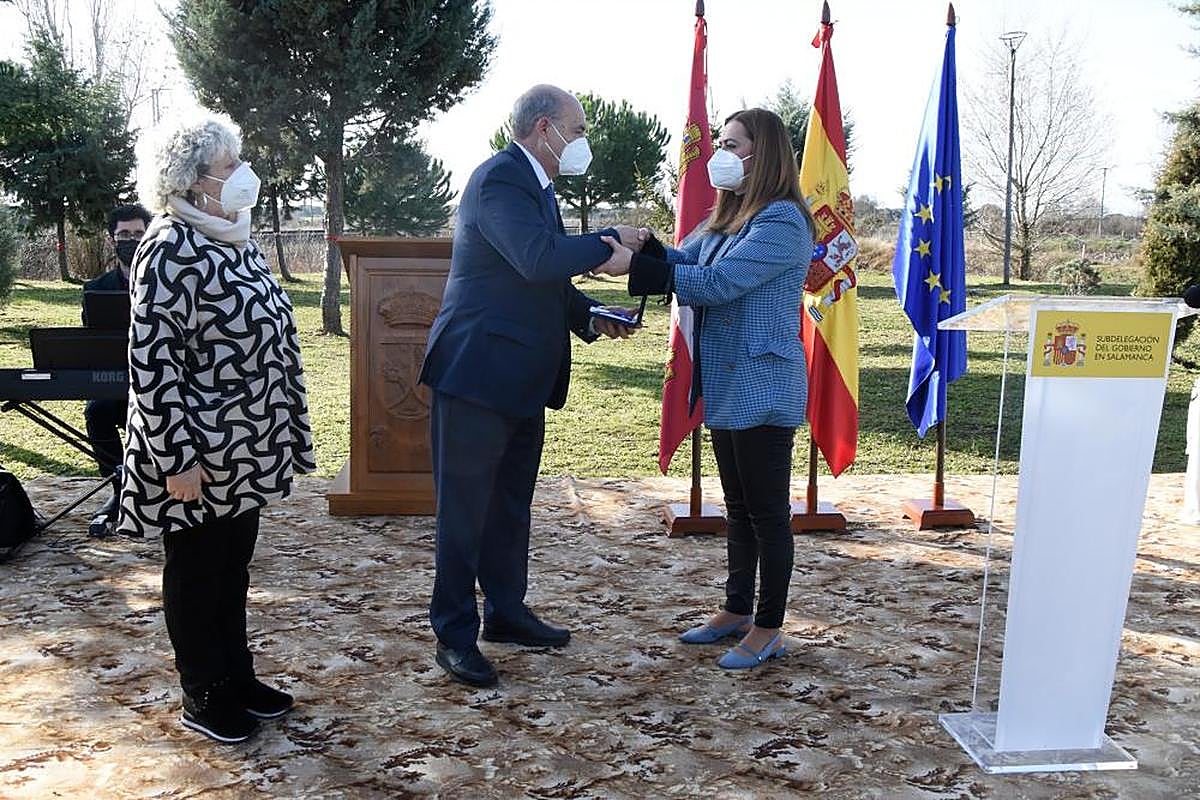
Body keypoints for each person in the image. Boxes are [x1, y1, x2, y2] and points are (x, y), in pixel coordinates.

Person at [419, 84, 644, 688]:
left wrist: (590, 315)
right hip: (476, 374)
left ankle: (507, 613)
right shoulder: (499, 179)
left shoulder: (537, 189)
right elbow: (536, 257)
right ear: (544, 129)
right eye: (577, 129)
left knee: (509, 504)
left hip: (517, 376)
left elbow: (541, 281)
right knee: (464, 513)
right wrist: (608, 245)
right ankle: (455, 635)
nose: (583, 142)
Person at [596, 108, 815, 671]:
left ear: (761, 154)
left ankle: (769, 627)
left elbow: (717, 284)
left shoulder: (782, 221)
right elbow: (680, 259)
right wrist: (642, 248)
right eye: (719, 141)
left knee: (767, 512)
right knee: (738, 507)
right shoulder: (726, 217)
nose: (720, 152)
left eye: (732, 143)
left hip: (763, 381)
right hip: (726, 380)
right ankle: (736, 609)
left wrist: (635, 270)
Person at [120, 112, 315, 742]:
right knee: (196, 569)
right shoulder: (169, 245)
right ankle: (202, 692)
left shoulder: (234, 237)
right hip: (197, 448)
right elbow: (153, 362)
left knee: (233, 565)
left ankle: (237, 676)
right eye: (227, 166)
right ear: (191, 180)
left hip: (249, 442)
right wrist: (176, 457)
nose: (240, 175)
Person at [81, 203, 153, 535]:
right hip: (116, 381)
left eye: (138, 233)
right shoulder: (96, 288)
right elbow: (92, 341)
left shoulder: (167, 281)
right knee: (97, 411)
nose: (131, 240)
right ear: (113, 239)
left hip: (159, 384)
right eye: (124, 234)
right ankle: (120, 490)